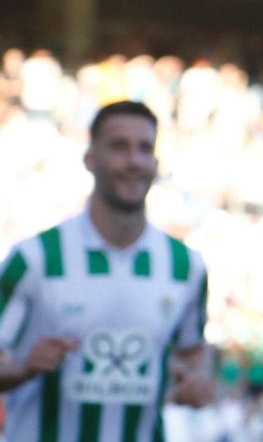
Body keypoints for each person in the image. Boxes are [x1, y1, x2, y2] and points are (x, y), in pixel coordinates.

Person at [0, 101, 213, 442]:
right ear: (89, 158)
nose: (134, 161)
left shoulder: (186, 266)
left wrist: (198, 382)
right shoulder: (33, 259)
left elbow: (193, 353)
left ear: (156, 162)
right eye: (119, 147)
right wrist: (25, 366)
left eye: (145, 148)